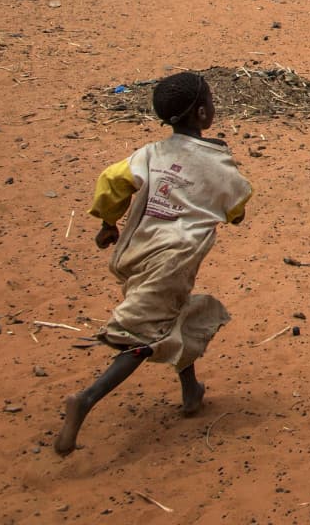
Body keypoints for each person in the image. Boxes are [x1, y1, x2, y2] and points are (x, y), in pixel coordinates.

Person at [54, 71, 252, 455]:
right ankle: (87, 399)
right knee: (142, 337)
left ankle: (191, 392)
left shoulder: (149, 154)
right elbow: (236, 208)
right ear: (201, 113)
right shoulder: (220, 166)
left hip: (137, 251)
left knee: (170, 318)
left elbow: (111, 182)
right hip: (171, 261)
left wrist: (108, 223)